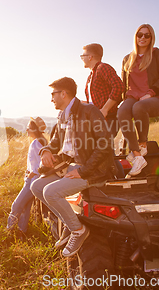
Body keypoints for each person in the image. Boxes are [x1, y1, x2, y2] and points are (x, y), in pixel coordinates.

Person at [30, 77, 114, 257]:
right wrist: (45, 151)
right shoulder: (62, 115)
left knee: (50, 192)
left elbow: (105, 144)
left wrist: (83, 171)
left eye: (53, 94)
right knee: (36, 186)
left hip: (93, 170)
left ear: (63, 93)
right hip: (71, 165)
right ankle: (70, 223)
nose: (51, 99)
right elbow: (55, 142)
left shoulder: (89, 111)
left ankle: (78, 230)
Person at [117, 24, 159, 177]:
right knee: (122, 111)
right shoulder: (127, 59)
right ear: (135, 37)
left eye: (146, 35)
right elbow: (123, 85)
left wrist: (151, 92)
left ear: (151, 38)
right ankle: (138, 155)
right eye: (139, 34)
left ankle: (143, 144)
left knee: (139, 107)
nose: (142, 38)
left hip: (154, 98)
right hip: (132, 96)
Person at [81, 43, 125, 178]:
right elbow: (95, 101)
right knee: (105, 150)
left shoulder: (102, 68)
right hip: (98, 120)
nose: (81, 58)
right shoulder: (91, 76)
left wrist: (105, 110)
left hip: (109, 118)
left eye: (83, 55)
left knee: (104, 150)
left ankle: (120, 180)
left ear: (90, 56)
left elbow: (118, 86)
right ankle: (112, 180)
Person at [7, 117, 47, 236]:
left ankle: (10, 229)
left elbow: (43, 161)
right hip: (31, 179)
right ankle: (21, 232)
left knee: (17, 204)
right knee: (25, 206)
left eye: (29, 128)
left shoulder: (37, 143)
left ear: (34, 129)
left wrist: (33, 173)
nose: (27, 130)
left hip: (33, 180)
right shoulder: (38, 141)